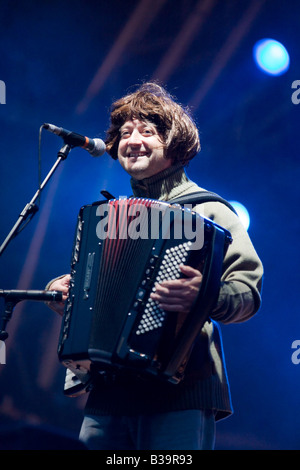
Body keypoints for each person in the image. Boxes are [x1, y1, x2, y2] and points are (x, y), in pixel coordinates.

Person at [46, 82, 263, 450]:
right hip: (109, 393)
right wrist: (63, 293)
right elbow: (89, 291)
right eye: (125, 133)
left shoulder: (210, 211)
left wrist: (204, 296)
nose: (132, 140)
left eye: (147, 132)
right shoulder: (108, 218)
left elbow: (247, 294)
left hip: (182, 390)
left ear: (174, 145)